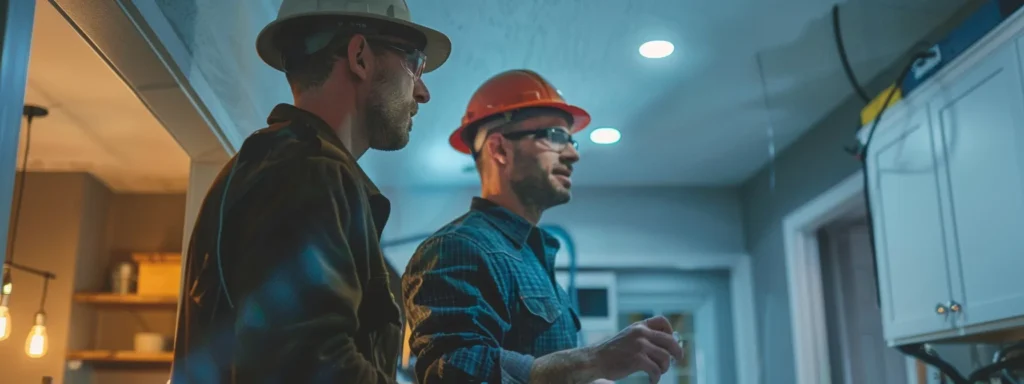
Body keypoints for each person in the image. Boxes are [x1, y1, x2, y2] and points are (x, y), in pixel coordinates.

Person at [169, 0, 450, 383]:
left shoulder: (284, 166)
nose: (423, 92)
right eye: (414, 64)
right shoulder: (307, 173)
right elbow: (313, 367)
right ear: (360, 57)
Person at [402, 70, 684, 384]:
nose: (573, 153)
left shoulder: (533, 257)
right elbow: (453, 370)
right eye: (555, 136)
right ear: (499, 149)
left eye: (571, 139)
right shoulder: (457, 247)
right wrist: (594, 359)